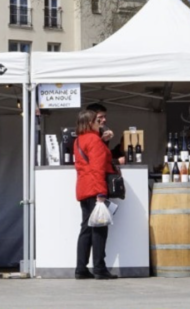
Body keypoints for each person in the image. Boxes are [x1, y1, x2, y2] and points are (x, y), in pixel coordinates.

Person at [73, 108, 118, 280]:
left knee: (85, 229)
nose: (100, 123)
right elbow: (98, 168)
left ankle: (81, 268)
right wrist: (101, 192)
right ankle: (99, 267)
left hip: (83, 188)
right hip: (95, 188)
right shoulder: (94, 140)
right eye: (97, 121)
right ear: (90, 123)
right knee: (99, 229)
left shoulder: (78, 140)